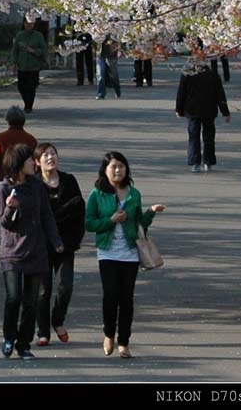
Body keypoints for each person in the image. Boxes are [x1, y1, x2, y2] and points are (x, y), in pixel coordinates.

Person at [85, 151, 165, 358]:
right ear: (105, 170)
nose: (118, 170)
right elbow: (89, 223)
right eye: (113, 167)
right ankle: (109, 334)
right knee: (111, 295)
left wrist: (151, 212)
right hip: (107, 253)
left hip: (129, 253)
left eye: (121, 166)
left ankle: (124, 341)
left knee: (126, 298)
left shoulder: (134, 193)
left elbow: (140, 225)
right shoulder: (97, 194)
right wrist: (110, 220)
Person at [0, 144, 64, 360]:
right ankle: (9, 337)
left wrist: (56, 241)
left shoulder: (36, 186)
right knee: (13, 298)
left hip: (36, 250)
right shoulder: (3, 189)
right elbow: (5, 223)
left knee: (31, 301)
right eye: (29, 161)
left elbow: (46, 215)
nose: (34, 164)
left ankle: (23, 344)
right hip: (12, 253)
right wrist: (10, 207)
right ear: (17, 164)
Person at [33, 143, 85, 347]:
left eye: (53, 153)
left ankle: (58, 320)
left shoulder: (69, 181)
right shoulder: (34, 184)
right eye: (45, 155)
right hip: (41, 245)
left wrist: (74, 240)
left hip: (65, 244)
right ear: (37, 162)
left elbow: (79, 210)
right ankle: (43, 332)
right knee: (43, 290)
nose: (50, 157)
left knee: (66, 286)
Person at [175, 56, 231, 173]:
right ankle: (208, 161)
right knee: (209, 137)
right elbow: (220, 95)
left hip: (192, 110)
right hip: (209, 110)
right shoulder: (212, 75)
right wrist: (225, 112)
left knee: (193, 137)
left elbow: (181, 93)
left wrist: (179, 109)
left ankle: (195, 162)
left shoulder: (187, 74)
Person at [0, 105, 37, 196]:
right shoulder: (30, 139)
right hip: (26, 181)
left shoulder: (1, 138)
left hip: (5, 181)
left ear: (8, 120)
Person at [11, 16, 48, 112]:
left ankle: (28, 106)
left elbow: (43, 49)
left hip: (34, 65)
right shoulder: (20, 35)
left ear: (34, 24)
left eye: (30, 24)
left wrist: (34, 51)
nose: (28, 26)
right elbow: (15, 50)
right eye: (26, 24)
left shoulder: (38, 35)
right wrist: (14, 63)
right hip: (22, 65)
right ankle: (27, 102)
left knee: (32, 86)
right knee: (21, 86)